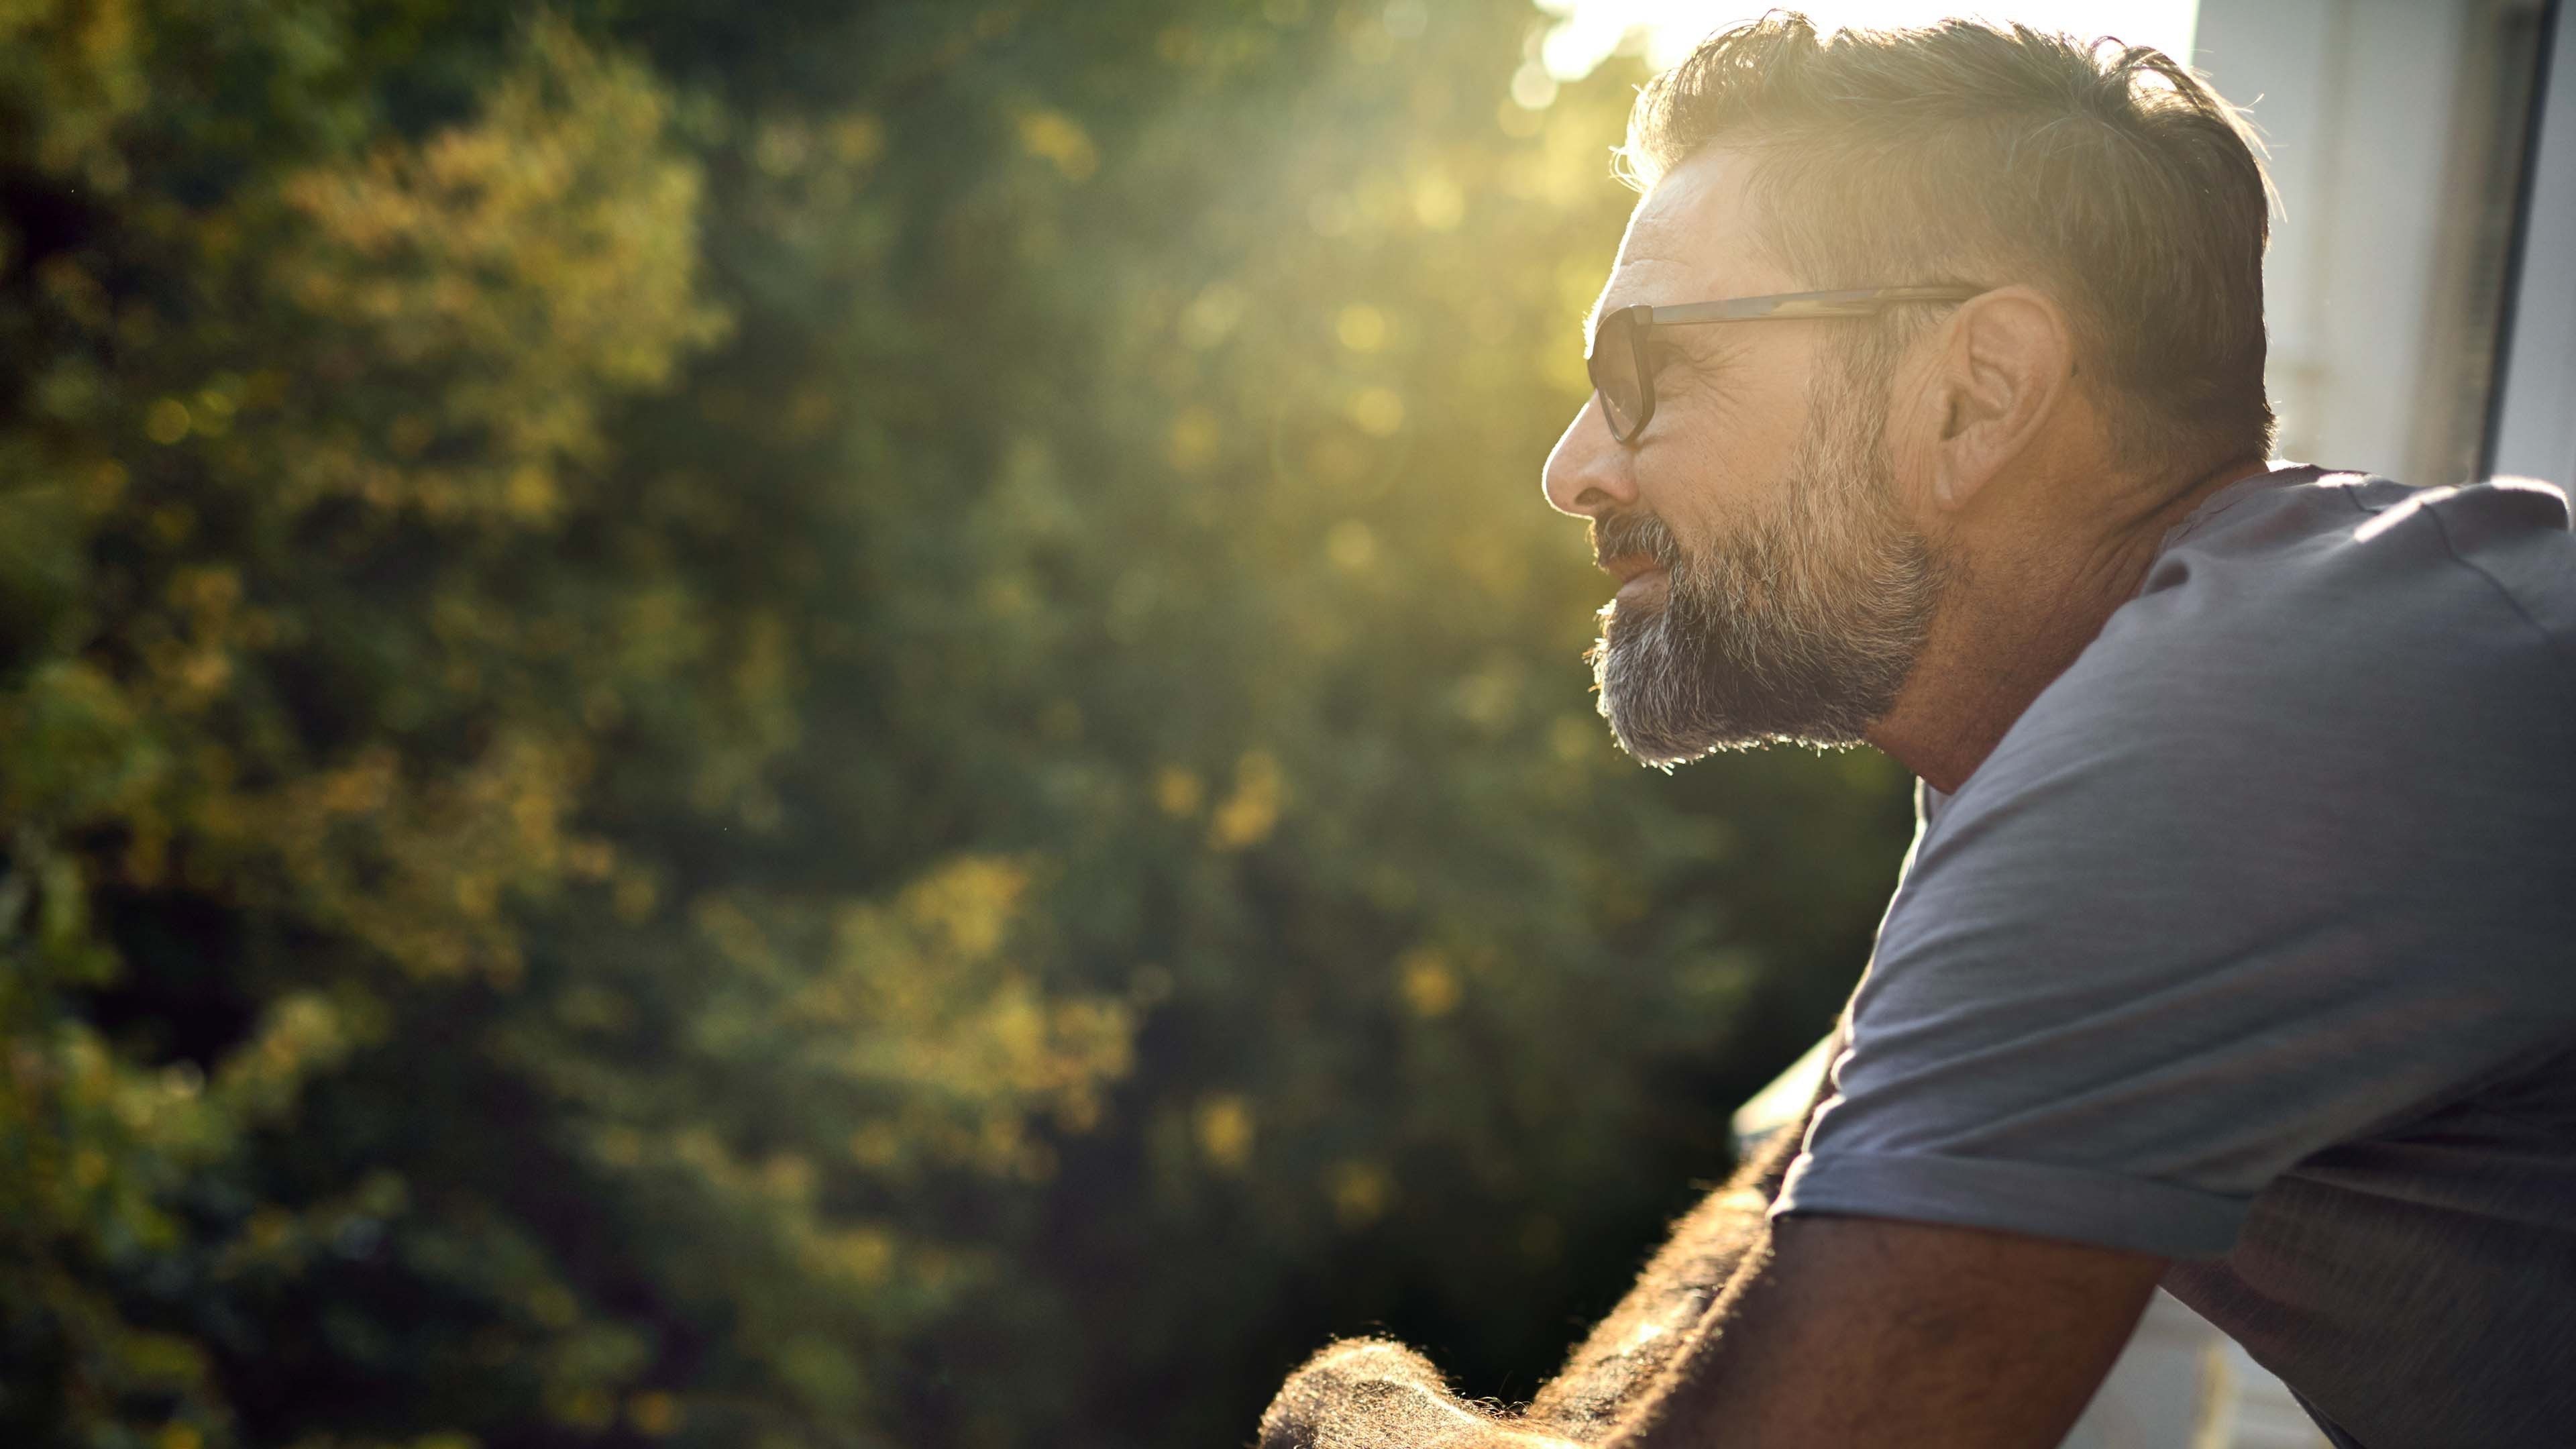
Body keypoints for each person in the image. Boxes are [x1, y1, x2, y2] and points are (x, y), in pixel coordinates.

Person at [1258, 14, 2576, 1449]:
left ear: (1976, 393)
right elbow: (1802, 1177)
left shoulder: (2221, 757)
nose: (1573, 469)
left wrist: (1346, 1406)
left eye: (1650, 369)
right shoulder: (2108, 723)